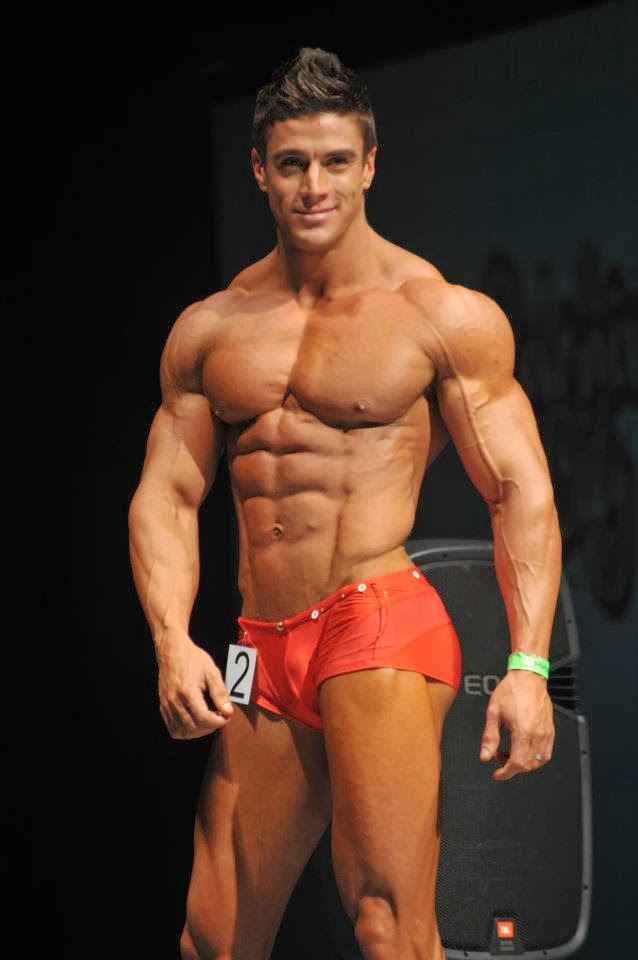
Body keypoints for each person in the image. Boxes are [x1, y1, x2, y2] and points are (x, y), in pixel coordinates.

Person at [128, 46, 561, 960]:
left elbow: (518, 489)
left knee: (386, 923)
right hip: (258, 648)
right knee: (211, 938)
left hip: (376, 622)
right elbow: (167, 493)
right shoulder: (210, 329)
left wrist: (528, 666)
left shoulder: (438, 315)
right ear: (260, 170)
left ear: (370, 165)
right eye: (292, 164)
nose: (313, 186)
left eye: (334, 161)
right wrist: (171, 640)